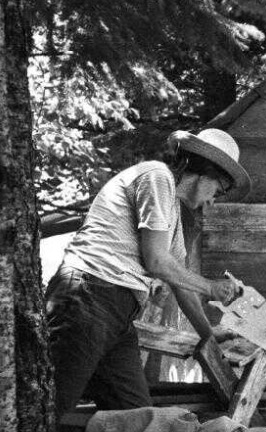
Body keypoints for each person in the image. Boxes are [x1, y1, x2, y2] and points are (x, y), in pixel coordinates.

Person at [46, 128, 252, 412]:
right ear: (206, 172)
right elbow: (156, 261)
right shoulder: (156, 176)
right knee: (48, 411)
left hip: (118, 313)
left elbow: (180, 282)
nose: (212, 202)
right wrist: (211, 287)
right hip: (87, 297)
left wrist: (208, 333)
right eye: (217, 191)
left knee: (137, 417)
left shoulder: (173, 215)